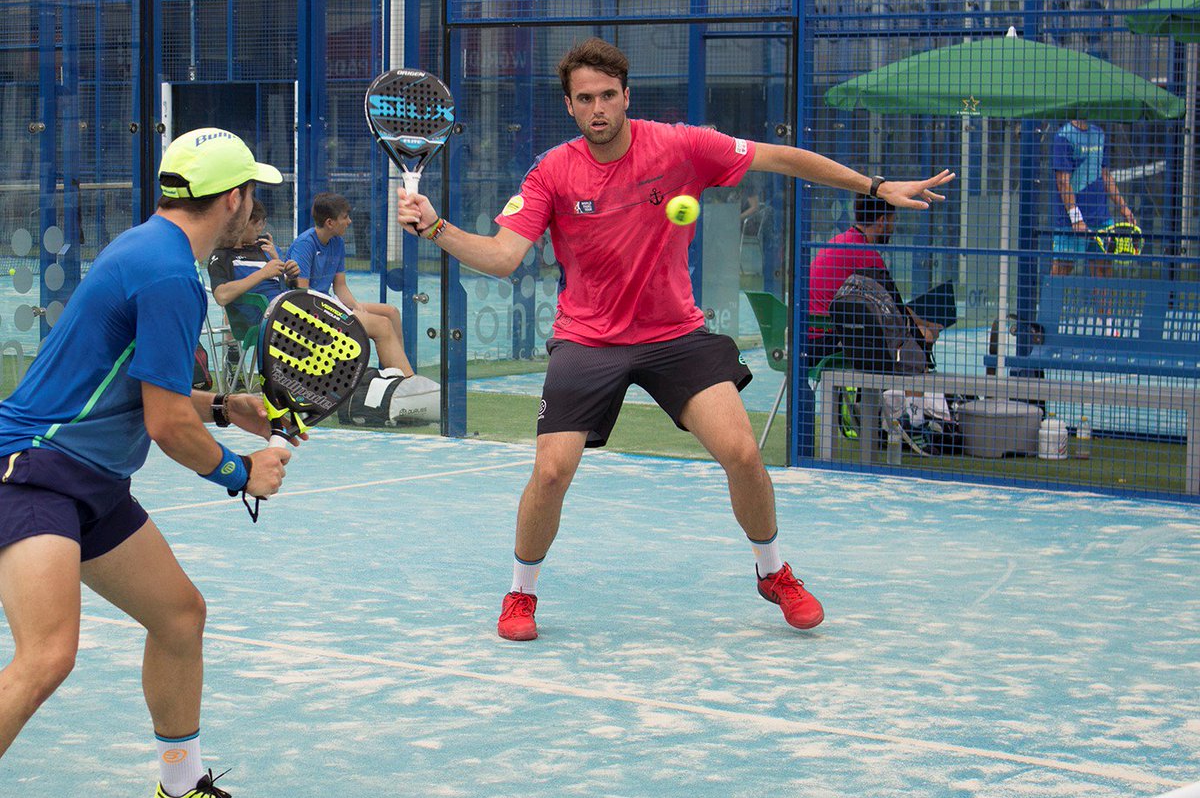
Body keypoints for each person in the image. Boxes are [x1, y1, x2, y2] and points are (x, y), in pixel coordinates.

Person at [396, 37, 955, 641]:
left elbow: (784, 159)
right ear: (571, 107)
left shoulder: (682, 145)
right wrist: (436, 227)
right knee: (552, 471)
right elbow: (504, 257)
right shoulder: (552, 172)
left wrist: (874, 188)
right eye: (586, 99)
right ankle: (520, 594)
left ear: (627, 96)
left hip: (675, 335)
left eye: (609, 95)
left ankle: (773, 572)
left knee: (742, 452)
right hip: (588, 339)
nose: (599, 108)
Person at [0, 127, 293, 798]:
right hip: (36, 468)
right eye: (253, 195)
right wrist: (240, 471)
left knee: (179, 614)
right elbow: (165, 425)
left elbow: (140, 389)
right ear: (233, 199)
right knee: (46, 655)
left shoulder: (152, 250)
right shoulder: (170, 275)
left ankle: (181, 782)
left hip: (91, 479)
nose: (255, 209)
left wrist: (223, 405)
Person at [289, 191, 416, 380]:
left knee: (391, 312)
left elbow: (340, 286)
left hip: (329, 304)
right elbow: (302, 296)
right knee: (382, 324)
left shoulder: (337, 242)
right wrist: (345, 313)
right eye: (345, 217)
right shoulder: (304, 245)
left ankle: (397, 372)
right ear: (330, 223)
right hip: (310, 311)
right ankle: (407, 382)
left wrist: (356, 308)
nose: (349, 222)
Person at [809, 195, 943, 363]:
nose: (893, 228)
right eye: (892, 221)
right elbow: (895, 307)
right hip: (826, 340)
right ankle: (918, 377)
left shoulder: (839, 241)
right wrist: (927, 326)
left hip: (806, 336)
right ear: (881, 221)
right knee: (923, 338)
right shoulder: (867, 255)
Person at [1051, 119, 1137, 277]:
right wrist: (1076, 218)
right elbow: (1063, 181)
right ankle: (1049, 303)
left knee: (1103, 272)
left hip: (1101, 220)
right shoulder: (1063, 136)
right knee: (1062, 271)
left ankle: (1104, 303)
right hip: (1069, 223)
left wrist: (1124, 207)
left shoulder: (1099, 134)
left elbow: (1104, 175)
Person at [207, 198, 298, 330]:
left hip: (287, 309)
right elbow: (221, 296)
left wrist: (289, 274)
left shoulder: (263, 249)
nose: (260, 229)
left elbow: (280, 284)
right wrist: (263, 273)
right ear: (242, 223)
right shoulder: (222, 255)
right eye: (257, 224)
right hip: (268, 318)